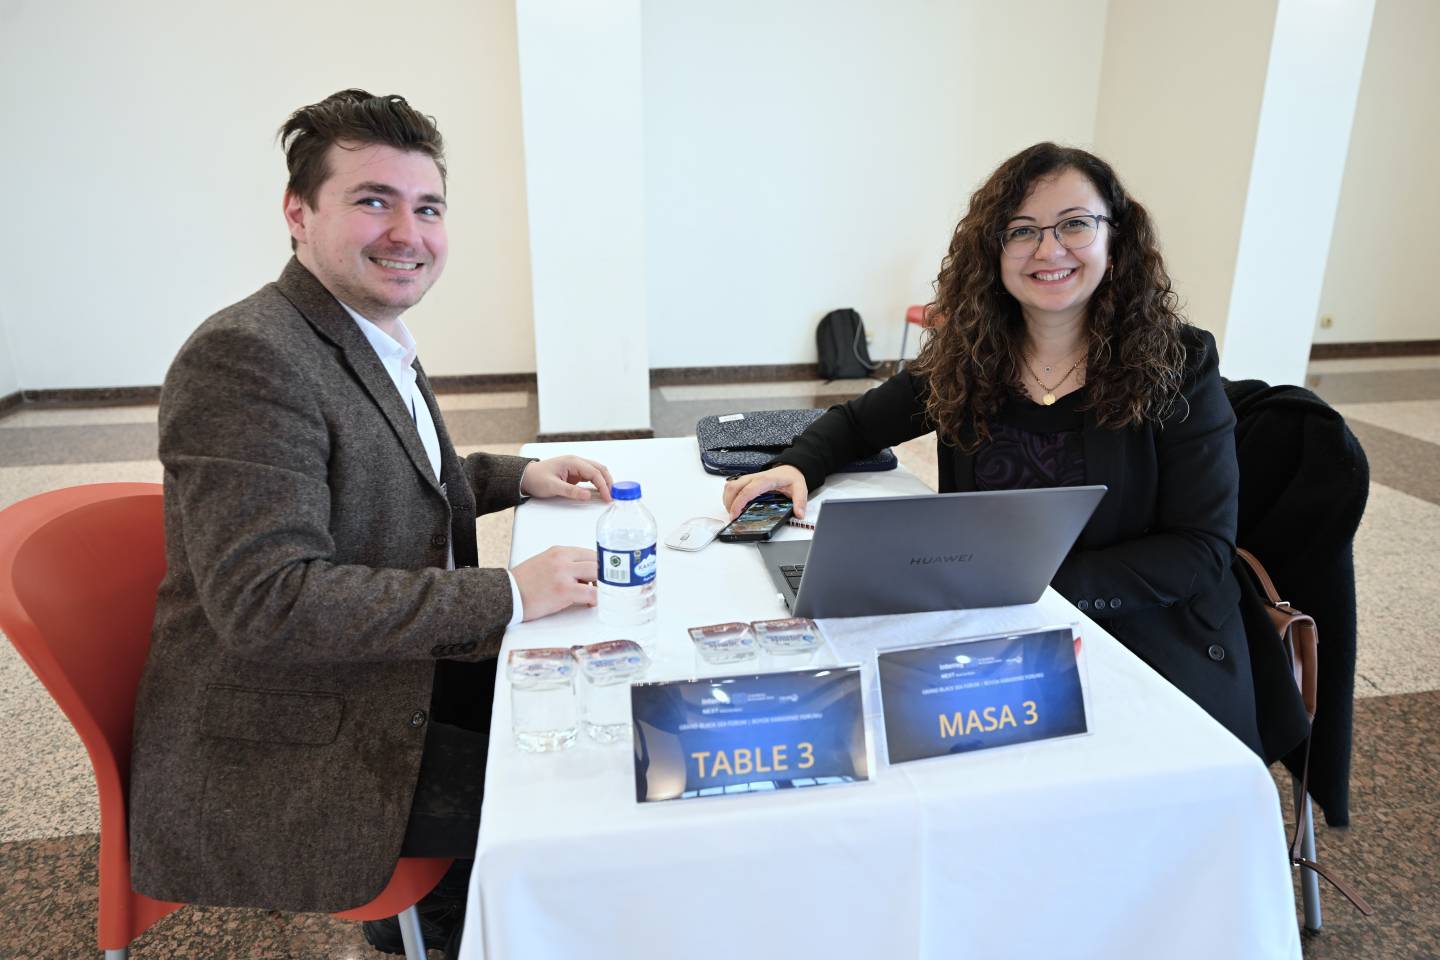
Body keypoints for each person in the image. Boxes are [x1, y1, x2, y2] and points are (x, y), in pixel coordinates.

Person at [128, 90, 608, 956]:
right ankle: (453, 926)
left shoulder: (358, 331)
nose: (407, 233)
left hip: (387, 671)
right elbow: (269, 602)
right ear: (298, 213)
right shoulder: (248, 357)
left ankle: (436, 915)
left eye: (427, 208)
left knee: (598, 699)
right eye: (373, 201)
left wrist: (514, 475)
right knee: (579, 799)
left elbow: (384, 478)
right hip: (296, 740)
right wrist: (507, 592)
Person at [724, 142, 1263, 756]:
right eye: (1022, 230)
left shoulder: (1178, 362)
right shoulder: (972, 356)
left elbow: (1200, 549)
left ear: (1115, 241)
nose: (1049, 250)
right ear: (993, 252)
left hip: (1140, 640)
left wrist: (1020, 585)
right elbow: (855, 424)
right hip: (992, 639)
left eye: (1075, 224)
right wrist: (796, 465)